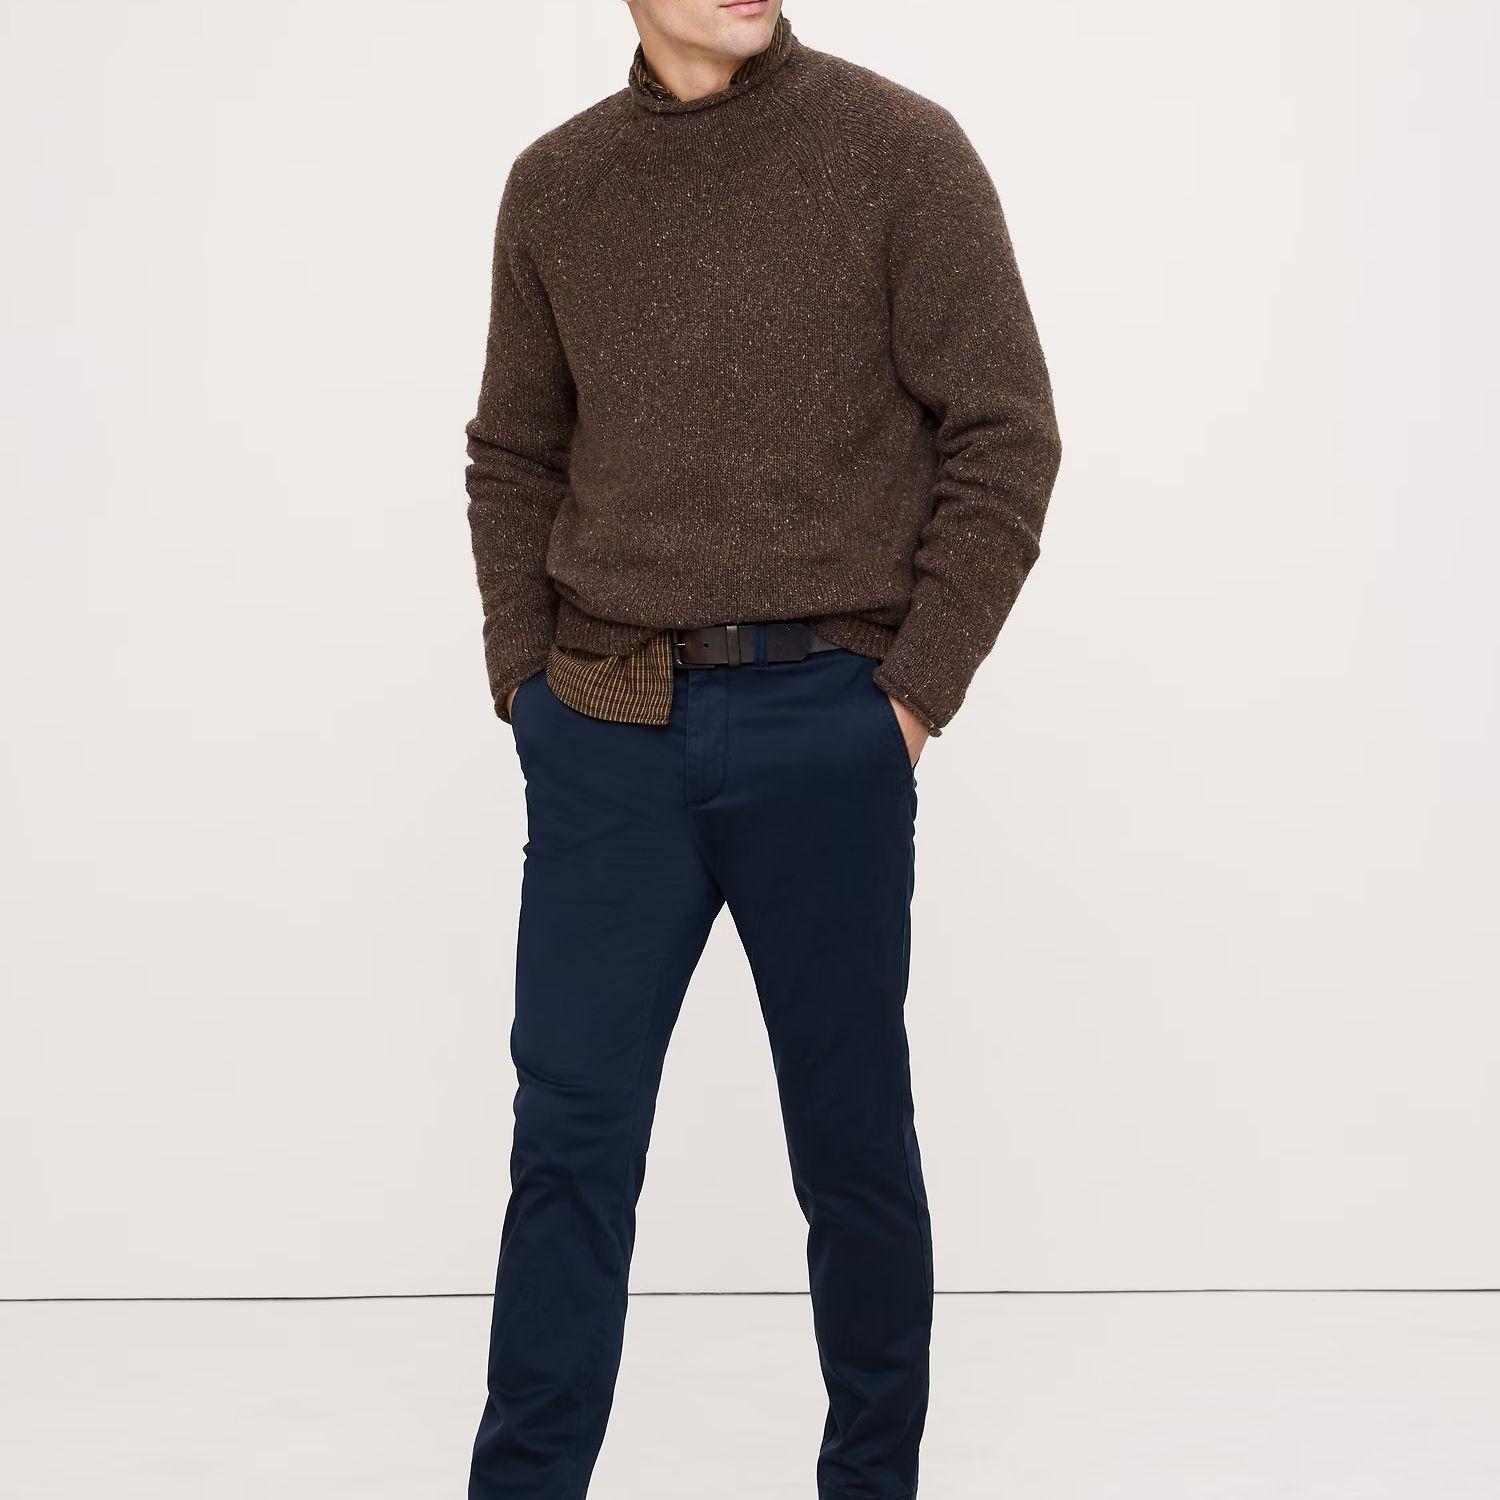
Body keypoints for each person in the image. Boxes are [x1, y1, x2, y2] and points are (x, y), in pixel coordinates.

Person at [463, 2, 1059, 1495]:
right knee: (570, 1146)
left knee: (851, 1149)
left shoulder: (897, 149)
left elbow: (1007, 432)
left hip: (826, 724)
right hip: (606, 727)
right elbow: (515, 453)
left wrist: (910, 696)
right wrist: (525, 685)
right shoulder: (557, 185)